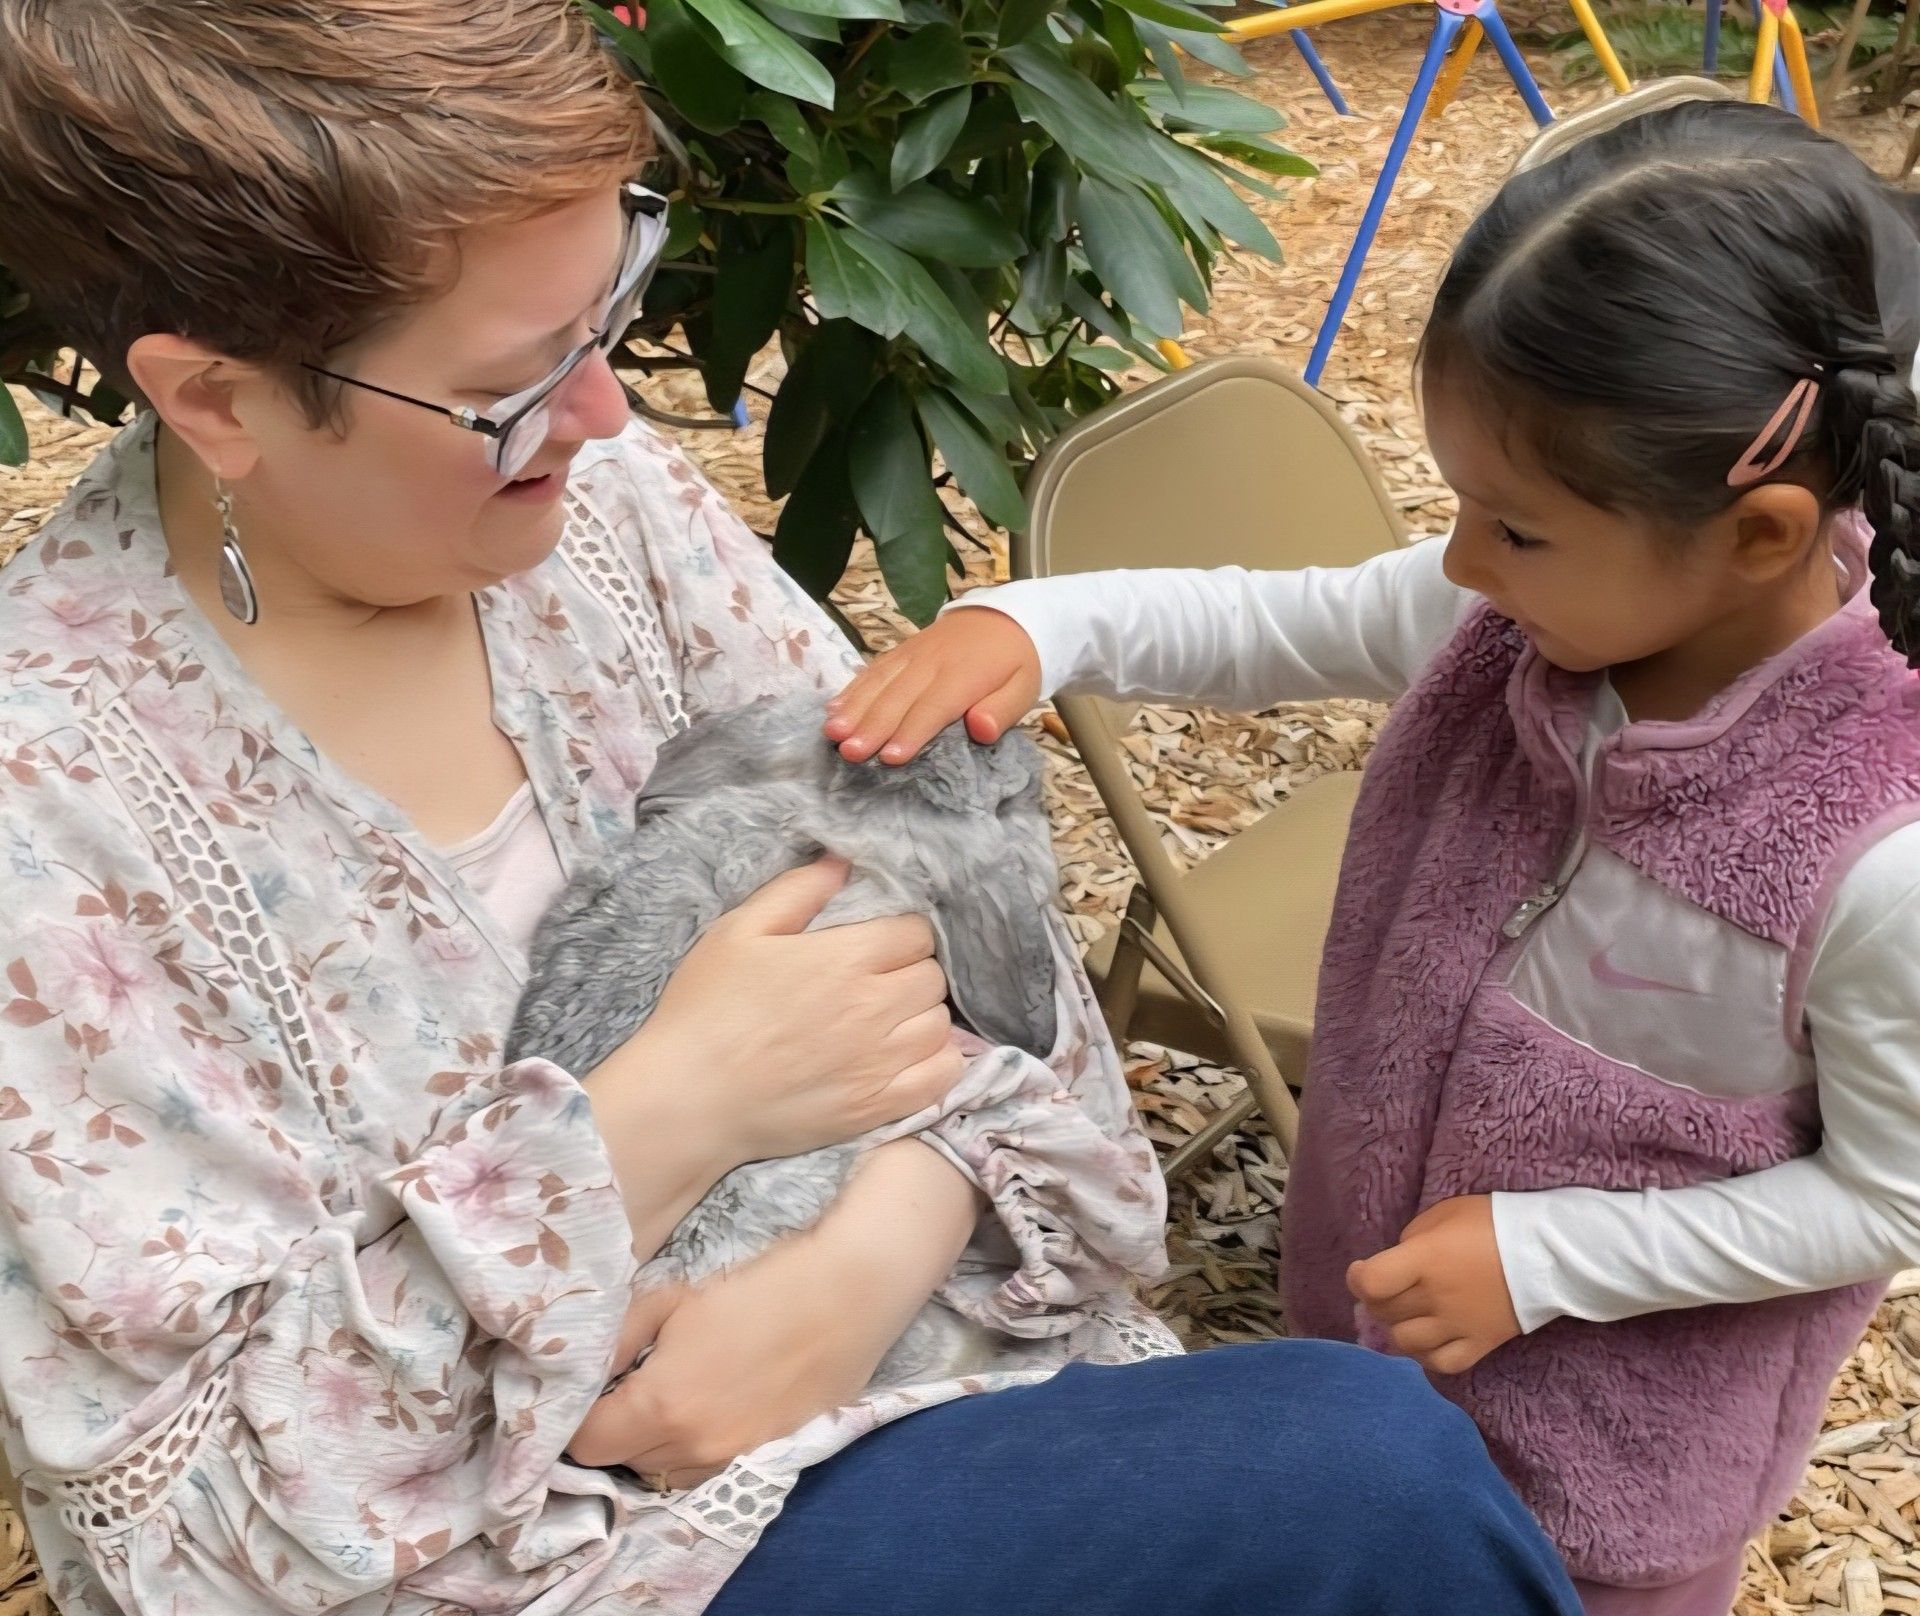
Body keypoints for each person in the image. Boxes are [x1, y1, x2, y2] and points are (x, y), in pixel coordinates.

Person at [0, 3, 1581, 1613]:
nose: (608, 413)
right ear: (214, 402)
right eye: (509, 384)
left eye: (607, 308)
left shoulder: (616, 520)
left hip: (911, 1380)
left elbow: (1019, 999)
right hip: (552, 1566)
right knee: (1372, 1484)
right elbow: (189, 1540)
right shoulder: (51, 815)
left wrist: (863, 1259)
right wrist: (672, 1110)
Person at [829, 99, 1920, 1615]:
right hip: (1381, 1367)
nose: (1461, 564)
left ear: (1761, 535)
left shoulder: (1876, 856)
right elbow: (1268, 618)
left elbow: (1888, 1198)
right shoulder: (1521, 619)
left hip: (1616, 1484)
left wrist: (1549, 1262)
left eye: (1512, 526)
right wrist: (1039, 619)